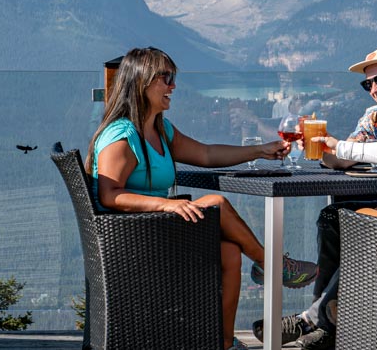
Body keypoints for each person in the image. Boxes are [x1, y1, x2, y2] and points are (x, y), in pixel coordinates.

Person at [88, 46, 318, 350]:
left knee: (231, 254)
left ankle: (222, 343)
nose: (173, 85)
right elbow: (109, 194)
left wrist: (260, 150)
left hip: (154, 231)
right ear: (141, 82)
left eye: (173, 77)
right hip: (132, 242)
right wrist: (167, 204)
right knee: (216, 203)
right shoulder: (122, 136)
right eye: (165, 77)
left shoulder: (159, 129)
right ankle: (273, 265)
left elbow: (206, 154)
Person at [254, 44, 377, 350]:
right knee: (332, 218)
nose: (374, 89)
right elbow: (343, 156)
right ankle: (326, 321)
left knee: (360, 231)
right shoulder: (375, 118)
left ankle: (312, 320)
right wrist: (324, 149)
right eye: (368, 83)